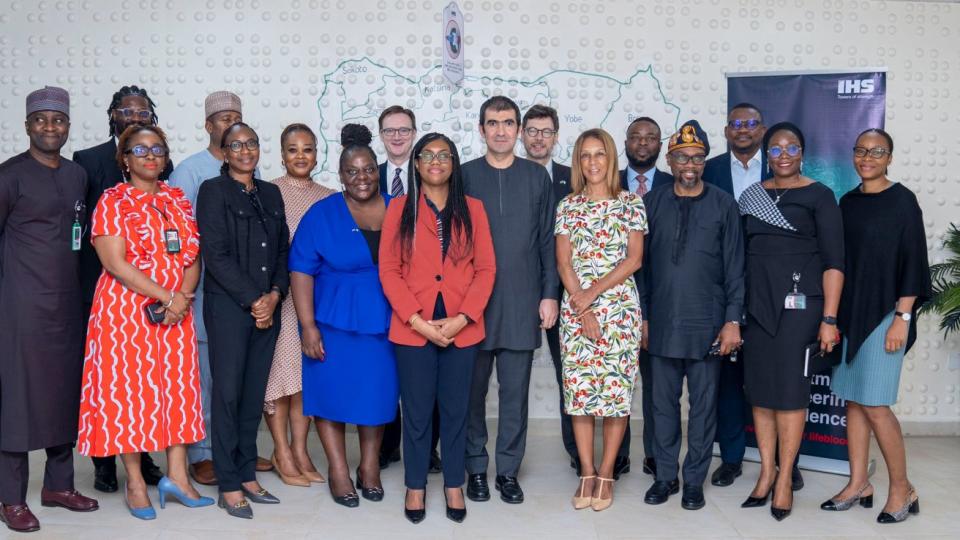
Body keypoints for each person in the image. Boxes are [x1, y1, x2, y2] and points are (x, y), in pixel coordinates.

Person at [77, 124, 213, 520]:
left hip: (175, 313)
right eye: (140, 150)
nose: (150, 156)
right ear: (125, 159)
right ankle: (136, 483)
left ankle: (177, 478)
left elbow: (192, 255)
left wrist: (181, 299)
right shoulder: (112, 200)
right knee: (129, 396)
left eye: (157, 149)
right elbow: (114, 263)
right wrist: (166, 296)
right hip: (125, 315)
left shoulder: (176, 198)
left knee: (178, 392)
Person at [380, 132, 497, 524]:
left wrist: (464, 318)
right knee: (415, 412)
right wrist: (416, 321)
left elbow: (486, 270)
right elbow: (389, 270)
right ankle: (416, 484)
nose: (435, 161)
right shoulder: (399, 208)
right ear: (416, 164)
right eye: (427, 155)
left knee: (456, 410)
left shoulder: (473, 209)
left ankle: (452, 483)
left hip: (461, 326)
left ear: (453, 163)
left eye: (443, 155)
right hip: (413, 326)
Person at [0, 86, 99, 534]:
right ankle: (11, 498)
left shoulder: (78, 175)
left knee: (64, 395)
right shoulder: (9, 176)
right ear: (26, 126)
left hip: (66, 306)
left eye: (57, 120)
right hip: (19, 309)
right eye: (40, 120)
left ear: (67, 126)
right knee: (18, 401)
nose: (49, 127)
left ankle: (58, 486)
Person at [822, 129, 930, 524]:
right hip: (849, 313)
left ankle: (902, 488)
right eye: (861, 151)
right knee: (852, 400)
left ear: (890, 157)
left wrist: (902, 317)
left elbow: (914, 260)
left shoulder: (903, 201)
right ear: (853, 155)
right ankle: (858, 484)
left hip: (886, 314)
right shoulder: (847, 202)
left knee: (875, 404)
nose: (868, 157)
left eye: (877, 151)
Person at [737, 122, 844, 521]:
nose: (783, 154)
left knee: (791, 393)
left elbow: (834, 262)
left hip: (801, 309)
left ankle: (784, 479)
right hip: (757, 306)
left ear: (803, 152)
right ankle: (765, 473)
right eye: (776, 148)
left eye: (791, 147)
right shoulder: (751, 195)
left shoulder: (820, 195)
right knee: (762, 393)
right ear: (767, 153)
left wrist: (829, 318)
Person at [288, 124, 398, 509]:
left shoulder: (398, 208)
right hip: (332, 324)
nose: (362, 177)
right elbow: (300, 269)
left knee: (377, 399)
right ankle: (338, 470)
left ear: (377, 170)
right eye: (352, 171)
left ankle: (369, 468)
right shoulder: (322, 213)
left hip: (385, 323)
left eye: (368, 169)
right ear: (340, 176)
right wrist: (307, 326)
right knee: (330, 397)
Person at [638, 121, 745, 511]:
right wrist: (644, 319)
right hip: (661, 325)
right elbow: (641, 269)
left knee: (702, 409)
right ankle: (666, 476)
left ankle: (694, 480)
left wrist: (732, 320)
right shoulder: (652, 203)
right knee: (662, 406)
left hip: (708, 325)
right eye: (681, 157)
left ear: (704, 162)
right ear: (669, 160)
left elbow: (736, 268)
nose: (689, 164)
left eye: (697, 158)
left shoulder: (723, 204)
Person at [73, 85, 172, 494]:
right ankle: (103, 464)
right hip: (107, 288)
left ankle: (144, 455)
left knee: (142, 382)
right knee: (109, 381)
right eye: (126, 111)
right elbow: (79, 229)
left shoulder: (159, 158)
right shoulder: (89, 160)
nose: (134, 117)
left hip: (151, 293)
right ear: (112, 115)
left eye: (142, 111)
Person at [169, 91, 271, 485]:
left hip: (247, 295)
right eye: (223, 118)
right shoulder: (192, 171)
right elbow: (183, 238)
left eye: (237, 117)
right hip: (206, 290)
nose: (230, 124)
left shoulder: (251, 170)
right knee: (208, 377)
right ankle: (204, 454)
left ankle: (234, 449)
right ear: (209, 125)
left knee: (238, 378)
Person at [463, 95, 558, 505]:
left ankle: (506, 472)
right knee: (471, 394)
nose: (500, 130)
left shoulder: (537, 179)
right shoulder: (462, 176)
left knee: (515, 396)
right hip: (472, 306)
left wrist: (549, 295)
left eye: (507, 123)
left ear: (518, 130)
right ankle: (474, 469)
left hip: (522, 302)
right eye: (492, 123)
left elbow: (547, 244)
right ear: (481, 129)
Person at [196, 122, 288, 518]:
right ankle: (229, 483)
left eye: (251, 143)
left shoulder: (270, 192)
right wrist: (255, 300)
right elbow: (214, 255)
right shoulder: (212, 191)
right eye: (236, 145)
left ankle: (248, 471)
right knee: (228, 395)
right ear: (224, 150)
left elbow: (284, 250)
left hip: (268, 307)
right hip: (229, 310)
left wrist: (274, 295)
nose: (245, 150)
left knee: (253, 395)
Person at [555, 128, 646, 512]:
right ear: (579, 162)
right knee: (579, 397)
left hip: (620, 311)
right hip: (577, 312)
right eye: (585, 156)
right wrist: (584, 307)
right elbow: (564, 262)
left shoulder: (631, 204)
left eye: (600, 155)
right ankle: (587, 473)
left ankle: (607, 474)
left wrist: (594, 295)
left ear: (611, 159)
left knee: (614, 397)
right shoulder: (567, 206)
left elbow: (634, 259)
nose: (592, 162)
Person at [701, 103, 788, 490]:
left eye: (751, 123)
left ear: (763, 129)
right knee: (728, 382)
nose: (743, 129)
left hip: (774, 290)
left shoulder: (782, 169)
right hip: (722, 292)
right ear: (725, 130)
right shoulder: (711, 170)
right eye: (736, 124)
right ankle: (732, 459)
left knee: (777, 380)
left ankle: (787, 463)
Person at [262, 124, 334, 487]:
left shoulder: (332, 196)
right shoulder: (267, 191)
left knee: (306, 378)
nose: (300, 156)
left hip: (315, 300)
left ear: (317, 154)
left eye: (307, 149)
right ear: (282, 154)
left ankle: (300, 449)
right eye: (293, 149)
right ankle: (281, 451)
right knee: (279, 378)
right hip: (279, 298)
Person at [375, 105, 442, 473]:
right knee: (387, 375)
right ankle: (388, 446)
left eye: (404, 130)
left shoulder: (431, 175)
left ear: (414, 133)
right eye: (390, 131)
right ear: (381, 136)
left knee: (424, 379)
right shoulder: (369, 175)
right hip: (382, 290)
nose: (397, 136)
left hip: (424, 295)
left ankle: (426, 448)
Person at [618, 116, 674, 477]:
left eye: (650, 138)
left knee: (658, 387)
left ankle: (655, 453)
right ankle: (617, 456)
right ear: (625, 142)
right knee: (617, 383)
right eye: (636, 137)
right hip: (615, 297)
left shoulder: (677, 184)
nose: (642, 143)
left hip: (663, 299)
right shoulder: (606, 182)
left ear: (660, 145)